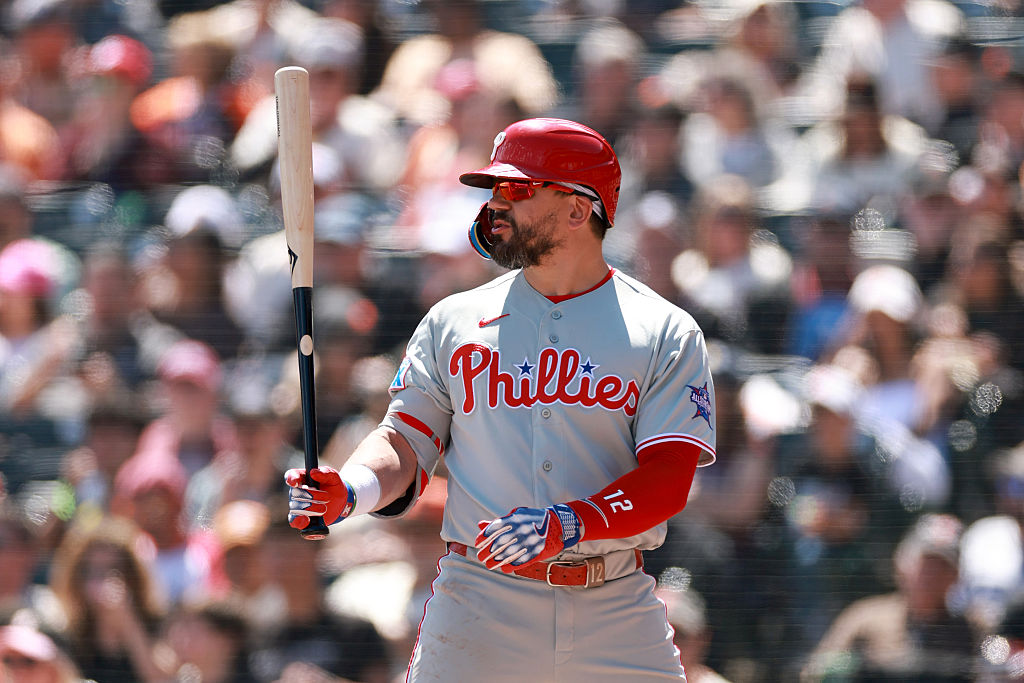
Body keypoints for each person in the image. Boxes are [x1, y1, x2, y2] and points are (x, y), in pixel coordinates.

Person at [285, 117, 717, 680]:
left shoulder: (664, 330)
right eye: (493, 190)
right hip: (479, 599)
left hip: (611, 601)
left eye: (516, 189)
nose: (495, 207)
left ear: (578, 208)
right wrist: (351, 489)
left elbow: (668, 478)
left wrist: (570, 521)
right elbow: (404, 440)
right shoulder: (453, 321)